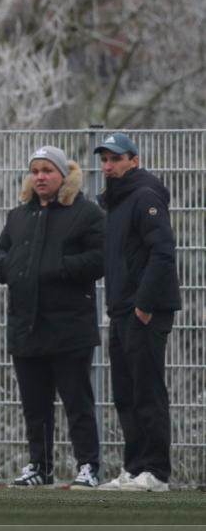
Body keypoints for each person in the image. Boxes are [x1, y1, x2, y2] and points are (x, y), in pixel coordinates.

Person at [0, 146, 104, 489]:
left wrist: (59, 267)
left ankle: (88, 466)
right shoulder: (18, 216)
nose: (40, 176)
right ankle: (40, 466)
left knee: (77, 403)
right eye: (35, 170)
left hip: (69, 328)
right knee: (35, 406)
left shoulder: (86, 213)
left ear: (62, 175)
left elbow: (100, 257)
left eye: (47, 170)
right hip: (26, 327)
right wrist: (9, 267)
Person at [95, 132, 181, 492]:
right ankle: (134, 468)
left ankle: (157, 473)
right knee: (125, 393)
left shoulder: (145, 196)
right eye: (104, 159)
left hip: (144, 311)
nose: (108, 166)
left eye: (115, 158)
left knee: (146, 391)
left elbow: (162, 253)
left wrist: (144, 305)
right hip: (121, 311)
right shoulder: (116, 202)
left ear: (134, 160)